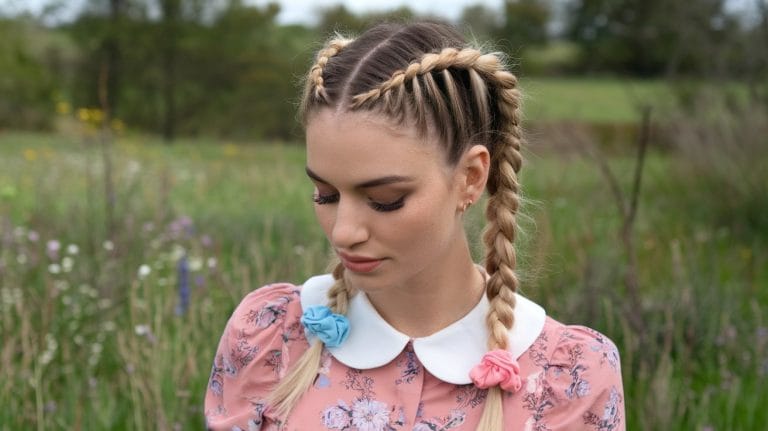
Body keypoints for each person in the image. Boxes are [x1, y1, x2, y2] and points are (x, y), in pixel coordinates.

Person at [204, 21, 625, 431]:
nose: (343, 232)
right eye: (325, 194)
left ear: (471, 177)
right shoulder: (269, 335)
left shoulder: (567, 377)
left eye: (386, 200)